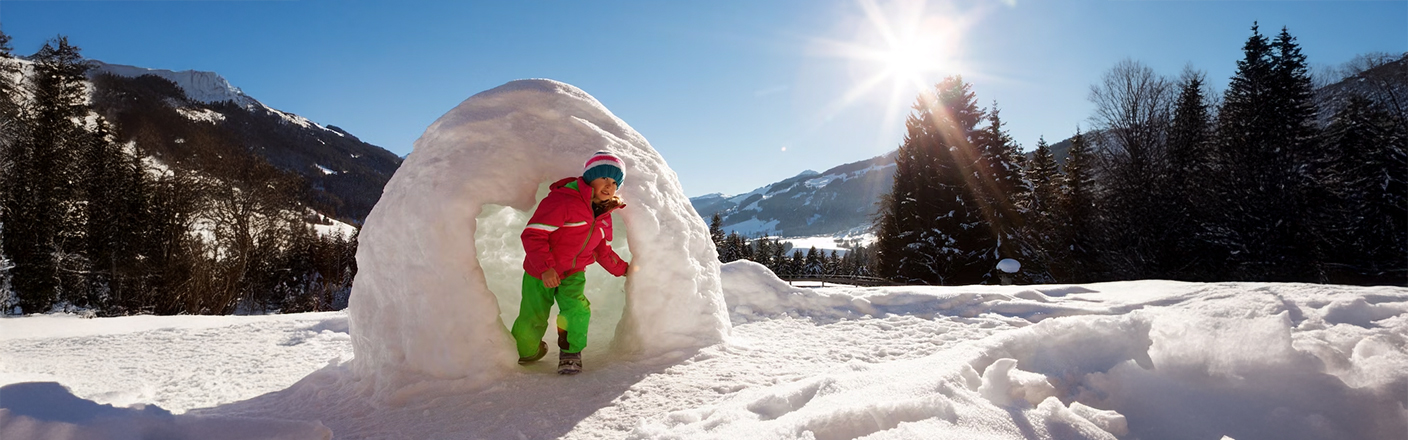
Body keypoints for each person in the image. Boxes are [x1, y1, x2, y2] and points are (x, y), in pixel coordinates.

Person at [511, 151, 631, 375]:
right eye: (604, 177)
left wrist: (624, 270)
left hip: (573, 272)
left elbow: (602, 250)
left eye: (615, 182)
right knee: (533, 314)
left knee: (576, 309)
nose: (609, 185)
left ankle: (570, 353)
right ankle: (526, 351)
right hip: (540, 272)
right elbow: (533, 234)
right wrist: (546, 268)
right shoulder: (563, 200)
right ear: (589, 177)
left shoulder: (604, 215)